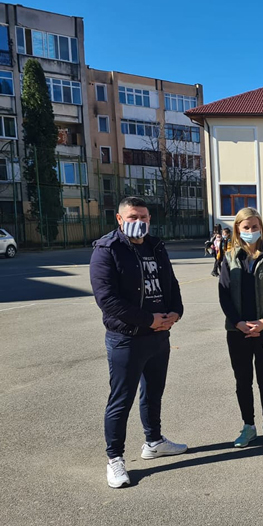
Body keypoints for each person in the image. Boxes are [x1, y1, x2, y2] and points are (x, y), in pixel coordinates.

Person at [90, 197, 187, 489]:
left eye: (144, 217)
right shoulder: (107, 249)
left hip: (159, 336)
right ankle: (115, 459)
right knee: (121, 400)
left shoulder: (156, 246)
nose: (140, 221)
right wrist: (148, 320)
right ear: (120, 219)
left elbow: (171, 283)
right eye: (133, 216)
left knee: (154, 392)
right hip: (127, 339)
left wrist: (175, 312)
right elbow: (107, 299)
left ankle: (154, 442)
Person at [218, 208, 263, 448]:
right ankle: (248, 426)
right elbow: (224, 296)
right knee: (242, 380)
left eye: (255, 227)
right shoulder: (229, 257)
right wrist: (238, 323)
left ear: (261, 228)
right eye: (246, 227)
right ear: (238, 229)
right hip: (237, 331)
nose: (250, 231)